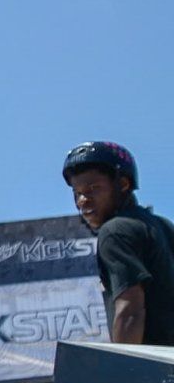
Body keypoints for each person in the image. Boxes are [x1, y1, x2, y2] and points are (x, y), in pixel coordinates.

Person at [63, 141, 174, 346]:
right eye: (77, 193)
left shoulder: (115, 232)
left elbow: (130, 310)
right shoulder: (163, 226)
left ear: (123, 184)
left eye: (93, 189)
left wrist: (123, 372)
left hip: (159, 371)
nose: (83, 201)